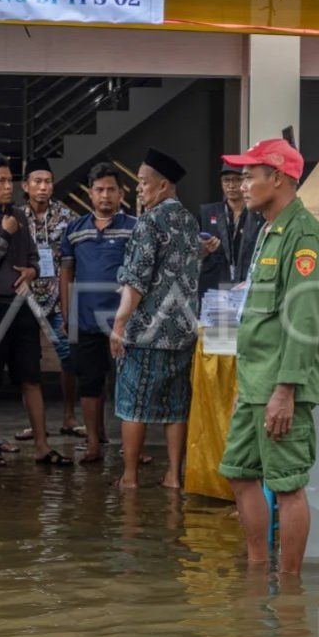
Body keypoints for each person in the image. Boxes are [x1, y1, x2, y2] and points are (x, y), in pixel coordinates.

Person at [217, 138, 319, 576]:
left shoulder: (304, 237)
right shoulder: (270, 229)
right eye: (242, 176)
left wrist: (285, 390)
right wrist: (247, 388)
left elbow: (306, 319)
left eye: (251, 176)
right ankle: (256, 572)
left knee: (287, 486)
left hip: (280, 385)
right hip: (256, 382)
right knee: (239, 472)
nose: (242, 185)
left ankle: (288, 589)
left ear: (279, 178)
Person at [0, 153, 72, 467]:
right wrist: (5, 233)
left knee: (31, 377)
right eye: (1, 181)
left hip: (22, 307)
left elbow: (35, 257)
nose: (8, 187)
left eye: (10, 180)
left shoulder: (19, 216)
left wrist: (33, 271)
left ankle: (41, 446)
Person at [111, 148, 200, 490]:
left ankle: (130, 476)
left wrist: (118, 326)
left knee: (134, 405)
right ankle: (172, 476)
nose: (139, 190)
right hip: (182, 331)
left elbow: (136, 281)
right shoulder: (190, 220)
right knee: (175, 406)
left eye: (144, 183)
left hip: (146, 333)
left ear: (163, 186)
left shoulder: (150, 221)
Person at [59, 162, 138, 463]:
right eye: (99, 190)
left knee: (127, 385)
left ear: (121, 194)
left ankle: (131, 447)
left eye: (111, 190)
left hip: (125, 322)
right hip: (86, 321)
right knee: (90, 384)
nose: (105, 195)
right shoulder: (74, 230)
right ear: (90, 194)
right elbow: (66, 274)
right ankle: (94, 443)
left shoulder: (134, 227)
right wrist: (68, 316)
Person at [15, 157, 84, 442]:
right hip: (27, 297)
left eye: (48, 182)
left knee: (68, 356)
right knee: (28, 361)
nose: (43, 187)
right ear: (26, 186)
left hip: (58, 296)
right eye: (37, 182)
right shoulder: (16, 217)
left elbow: (74, 258)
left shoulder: (66, 216)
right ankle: (34, 422)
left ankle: (69, 417)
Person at [198, 163, 265, 294]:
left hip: (248, 285)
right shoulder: (207, 212)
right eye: (226, 180)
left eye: (237, 179)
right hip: (214, 285)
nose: (231, 185)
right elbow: (192, 251)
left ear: (245, 182)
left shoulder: (259, 215)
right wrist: (202, 249)